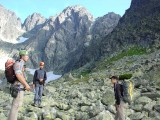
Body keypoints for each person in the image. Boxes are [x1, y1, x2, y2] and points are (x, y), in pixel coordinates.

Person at [8, 50, 31, 120]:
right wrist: (26, 85)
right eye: (26, 55)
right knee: (15, 105)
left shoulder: (22, 63)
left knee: (17, 105)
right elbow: (18, 75)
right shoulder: (19, 63)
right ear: (22, 56)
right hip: (18, 86)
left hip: (20, 86)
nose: (28, 57)